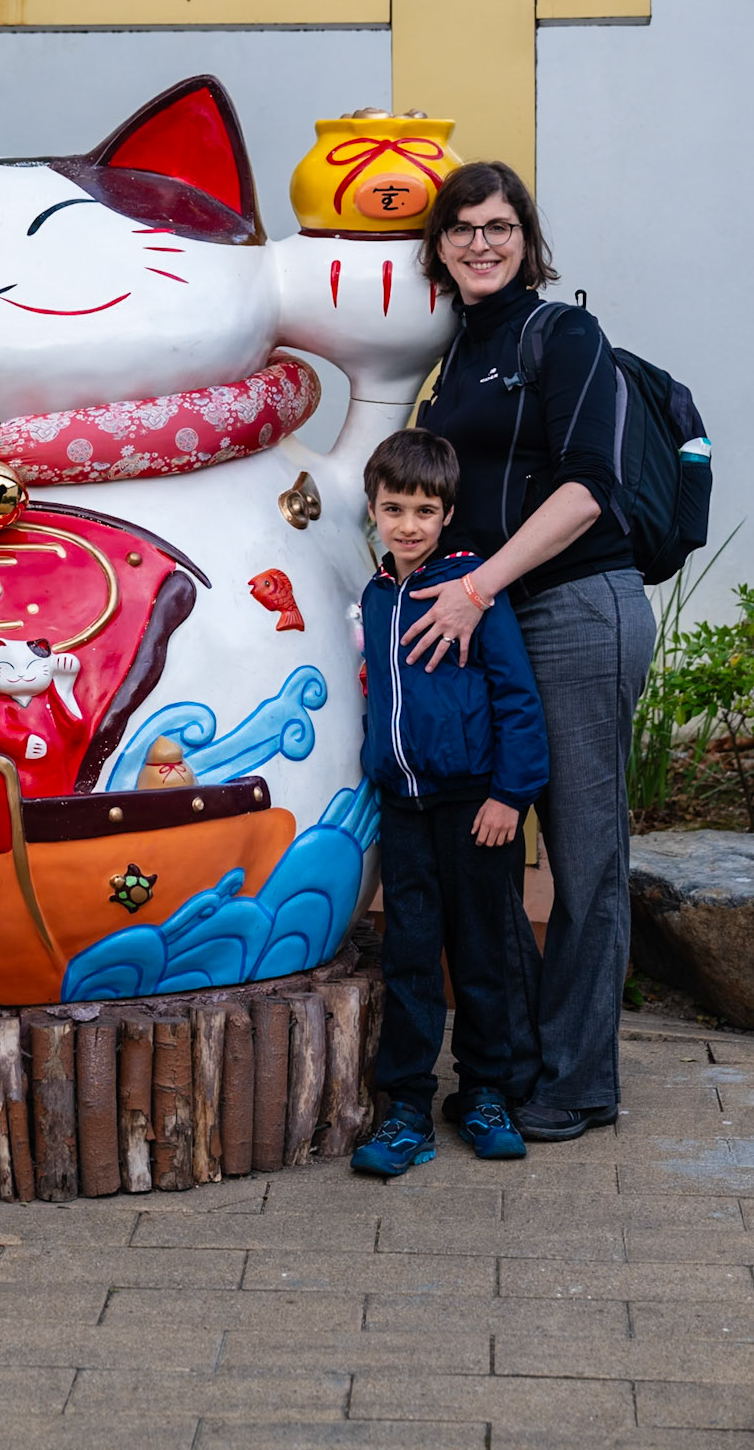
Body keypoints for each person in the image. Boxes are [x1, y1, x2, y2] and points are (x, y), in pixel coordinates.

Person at [409, 160, 656, 1141]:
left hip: (574, 608)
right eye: (462, 226)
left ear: (527, 237)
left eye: (500, 225)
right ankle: (510, 1060)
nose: (481, 241)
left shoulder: (563, 334)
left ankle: (581, 1080)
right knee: (489, 840)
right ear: (439, 244)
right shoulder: (453, 355)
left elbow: (589, 486)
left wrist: (475, 585)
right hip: (491, 620)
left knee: (585, 851)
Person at [351, 428, 549, 1178]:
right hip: (402, 805)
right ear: (371, 509)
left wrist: (509, 795)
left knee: (479, 953)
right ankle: (406, 1105)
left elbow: (517, 701)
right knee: (407, 954)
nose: (407, 524)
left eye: (423, 510)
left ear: (446, 514)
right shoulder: (374, 595)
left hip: (476, 807)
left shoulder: (472, 590)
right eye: (393, 507)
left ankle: (484, 1092)